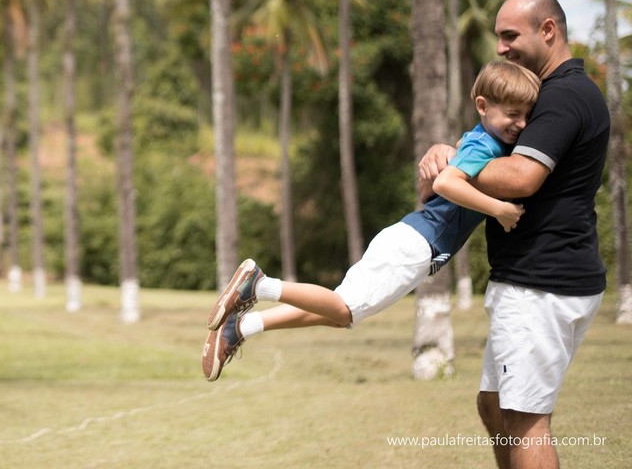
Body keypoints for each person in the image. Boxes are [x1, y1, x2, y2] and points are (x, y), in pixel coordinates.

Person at [202, 59, 541, 383]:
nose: (522, 123)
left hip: (411, 240)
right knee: (343, 310)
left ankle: (240, 329)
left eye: (527, 115)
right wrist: (499, 208)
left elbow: (436, 188)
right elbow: (445, 184)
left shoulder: (479, 141)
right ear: (483, 106)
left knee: (338, 314)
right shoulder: (485, 145)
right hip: (417, 246)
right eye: (513, 114)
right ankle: (258, 284)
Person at [418, 0, 607, 469]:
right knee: (494, 406)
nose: (500, 47)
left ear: (548, 30)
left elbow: (521, 177)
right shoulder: (546, 94)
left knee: (524, 421)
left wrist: (454, 170)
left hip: (542, 282)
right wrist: (457, 156)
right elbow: (498, 152)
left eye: (510, 35)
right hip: (532, 279)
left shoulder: (563, 96)